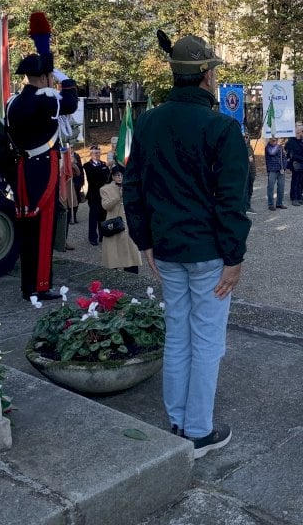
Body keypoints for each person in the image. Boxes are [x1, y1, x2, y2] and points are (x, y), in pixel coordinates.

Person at [123, 32, 250, 459]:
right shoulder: (221, 128)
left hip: (169, 249)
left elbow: (133, 188)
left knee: (178, 335)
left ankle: (178, 420)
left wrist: (145, 242)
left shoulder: (148, 122)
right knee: (207, 340)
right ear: (205, 75)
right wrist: (234, 257)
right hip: (209, 251)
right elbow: (232, 202)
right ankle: (198, 431)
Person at [6, 53, 79, 301]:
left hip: (23, 166)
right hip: (43, 165)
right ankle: (40, 285)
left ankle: (29, 286)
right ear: (45, 77)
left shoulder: (13, 102)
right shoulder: (45, 100)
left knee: (28, 228)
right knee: (44, 225)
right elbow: (70, 103)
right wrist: (66, 80)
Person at [99, 165, 141, 273]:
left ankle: (132, 278)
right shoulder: (105, 189)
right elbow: (106, 206)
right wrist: (118, 196)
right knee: (114, 256)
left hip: (129, 225)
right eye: (117, 175)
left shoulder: (130, 187)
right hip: (114, 225)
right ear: (113, 176)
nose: (120, 177)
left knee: (131, 256)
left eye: (122, 174)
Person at [84, 144, 110, 246]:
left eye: (98, 152)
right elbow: (92, 177)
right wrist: (104, 168)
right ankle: (92, 237)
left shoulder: (103, 164)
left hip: (103, 195)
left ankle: (102, 236)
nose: (97, 154)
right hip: (93, 195)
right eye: (94, 153)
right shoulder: (87, 165)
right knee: (93, 217)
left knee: (103, 216)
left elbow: (107, 177)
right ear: (91, 154)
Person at [285, 125, 303, 205]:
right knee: (295, 181)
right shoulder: (291, 141)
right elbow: (291, 155)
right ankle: (294, 198)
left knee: (301, 181)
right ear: (298, 132)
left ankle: (299, 195)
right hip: (295, 164)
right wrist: (301, 157)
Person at [265, 136, 287, 210]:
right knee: (271, 187)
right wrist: (278, 145)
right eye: (274, 139)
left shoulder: (280, 147)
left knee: (281, 187)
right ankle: (270, 204)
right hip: (272, 170)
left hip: (281, 170)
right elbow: (272, 153)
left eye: (276, 139)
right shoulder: (268, 147)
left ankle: (279, 203)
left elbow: (284, 158)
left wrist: (284, 167)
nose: (276, 140)